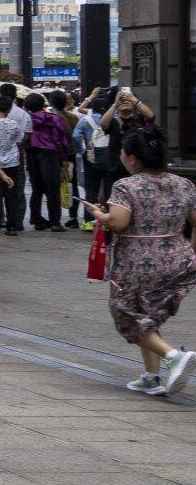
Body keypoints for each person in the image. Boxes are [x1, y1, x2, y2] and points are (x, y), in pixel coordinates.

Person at [82, 125, 196, 396]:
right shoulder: (184, 183)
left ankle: (173, 356)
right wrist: (192, 251)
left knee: (126, 313)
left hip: (137, 260)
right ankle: (151, 377)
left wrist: (99, 214)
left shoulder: (125, 185)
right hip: (177, 257)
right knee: (149, 315)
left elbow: (119, 222)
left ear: (132, 158)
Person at [0, 87, 27, 235]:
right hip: (12, 162)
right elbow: (19, 139)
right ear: (9, 109)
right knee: (12, 194)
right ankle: (12, 226)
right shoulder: (13, 124)